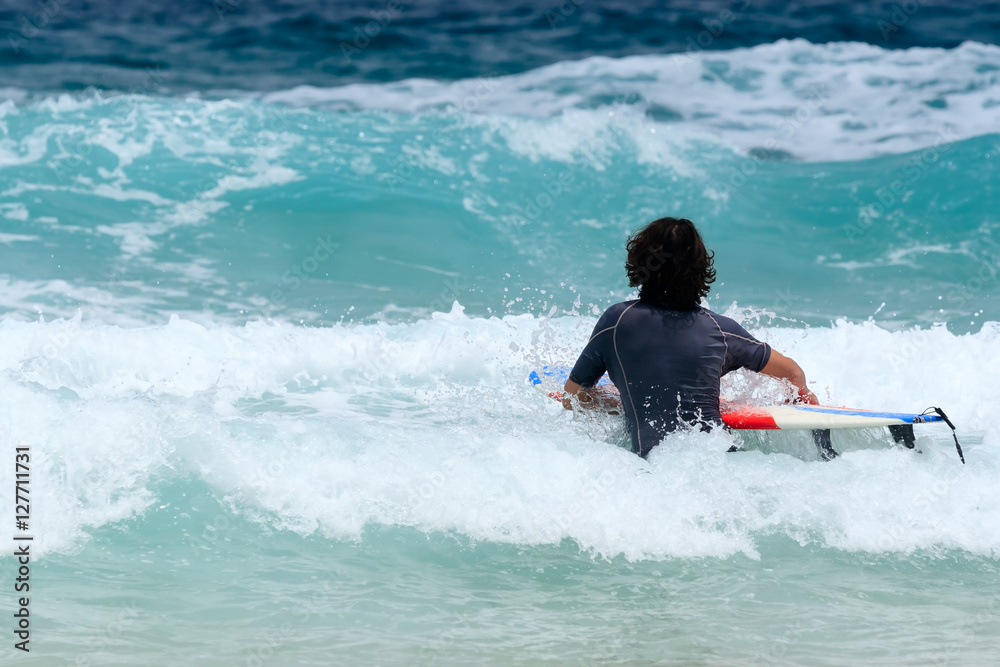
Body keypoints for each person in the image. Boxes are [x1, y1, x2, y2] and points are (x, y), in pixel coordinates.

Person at [563, 216, 818, 458]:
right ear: (700, 269)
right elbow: (793, 373)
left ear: (641, 263)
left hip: (655, 471)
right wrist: (803, 396)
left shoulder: (616, 322)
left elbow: (572, 398)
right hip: (721, 460)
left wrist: (620, 404)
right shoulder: (722, 330)